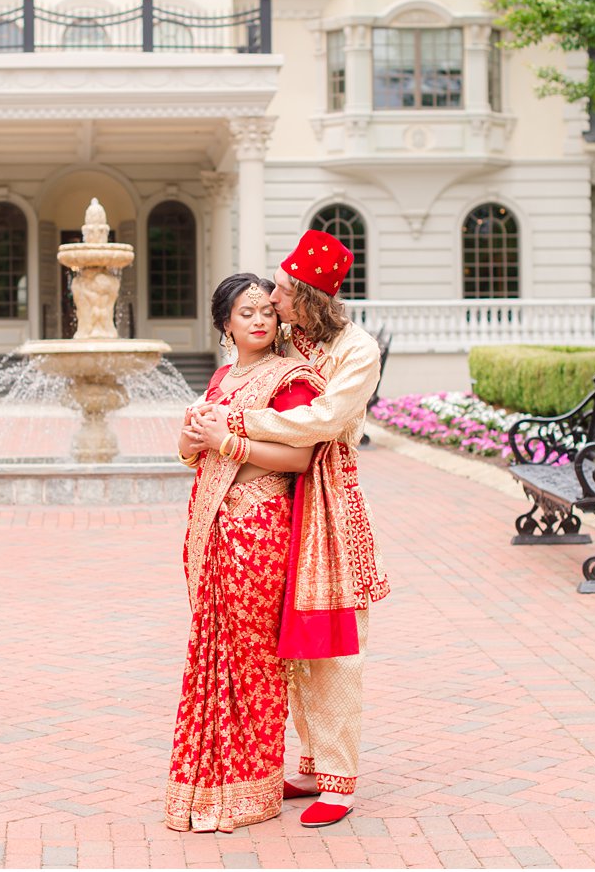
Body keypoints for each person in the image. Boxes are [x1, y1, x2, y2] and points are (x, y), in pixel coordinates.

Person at [193, 230, 390, 829]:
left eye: (280, 289)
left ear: (306, 295)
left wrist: (234, 423)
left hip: (326, 500)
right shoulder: (292, 334)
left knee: (329, 644)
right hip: (277, 505)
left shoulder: (357, 351)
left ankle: (340, 779)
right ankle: (308, 763)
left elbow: (323, 419)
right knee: (289, 641)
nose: (270, 299)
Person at [164, 273, 325, 834]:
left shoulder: (292, 380)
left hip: (260, 529)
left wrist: (226, 440)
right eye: (245, 312)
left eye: (266, 311)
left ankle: (251, 789)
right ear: (225, 324)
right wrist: (190, 440)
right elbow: (194, 452)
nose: (259, 320)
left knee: (253, 661)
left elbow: (300, 457)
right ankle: (206, 786)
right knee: (212, 656)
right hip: (213, 531)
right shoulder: (224, 375)